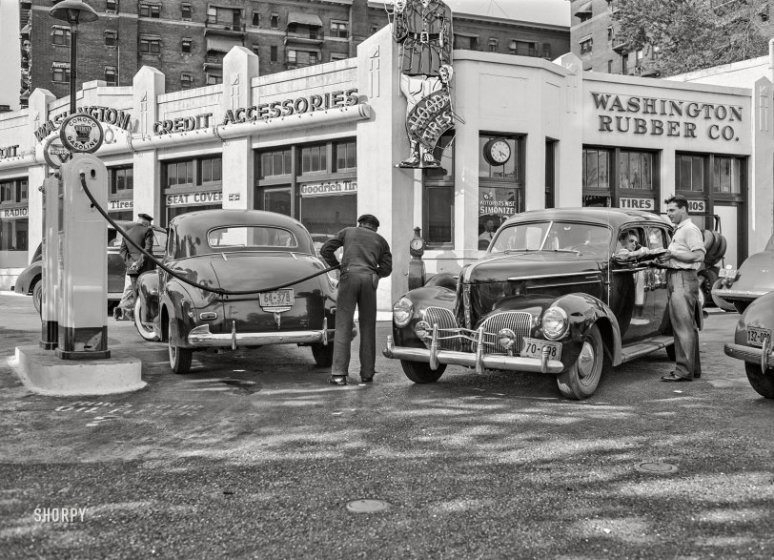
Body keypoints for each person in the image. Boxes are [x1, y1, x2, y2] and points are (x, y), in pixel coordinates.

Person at [320, 214, 393, 386]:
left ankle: (339, 374)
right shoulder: (381, 240)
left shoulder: (348, 232)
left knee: (343, 326)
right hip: (369, 280)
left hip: (348, 278)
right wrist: (377, 274)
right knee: (368, 327)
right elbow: (387, 268)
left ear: (360, 224)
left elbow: (326, 250)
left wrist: (337, 265)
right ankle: (367, 373)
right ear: (374, 228)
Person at [656, 195, 706, 382]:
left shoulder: (689, 230)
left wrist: (671, 253)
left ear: (683, 209)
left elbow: (698, 255)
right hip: (679, 277)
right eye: (668, 210)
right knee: (688, 327)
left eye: (672, 210)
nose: (669, 214)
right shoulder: (680, 230)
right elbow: (681, 257)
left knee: (682, 327)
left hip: (682, 279)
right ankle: (692, 369)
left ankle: (683, 372)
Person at [115, 213, 154, 320]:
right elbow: (147, 250)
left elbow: (122, 251)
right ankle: (146, 317)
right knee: (146, 294)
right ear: (145, 222)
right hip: (146, 268)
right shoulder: (147, 231)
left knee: (136, 293)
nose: (149, 225)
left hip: (132, 270)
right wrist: (139, 262)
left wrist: (131, 263)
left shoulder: (127, 233)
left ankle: (137, 319)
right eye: (149, 223)